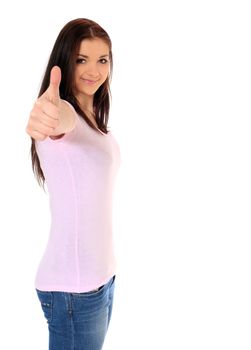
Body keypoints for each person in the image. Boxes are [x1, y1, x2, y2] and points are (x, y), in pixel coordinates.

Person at [25, 18, 121, 350]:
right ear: (65, 60)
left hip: (101, 282)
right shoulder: (64, 113)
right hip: (73, 292)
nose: (94, 70)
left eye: (102, 59)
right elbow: (57, 119)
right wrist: (47, 113)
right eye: (82, 59)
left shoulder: (92, 117)